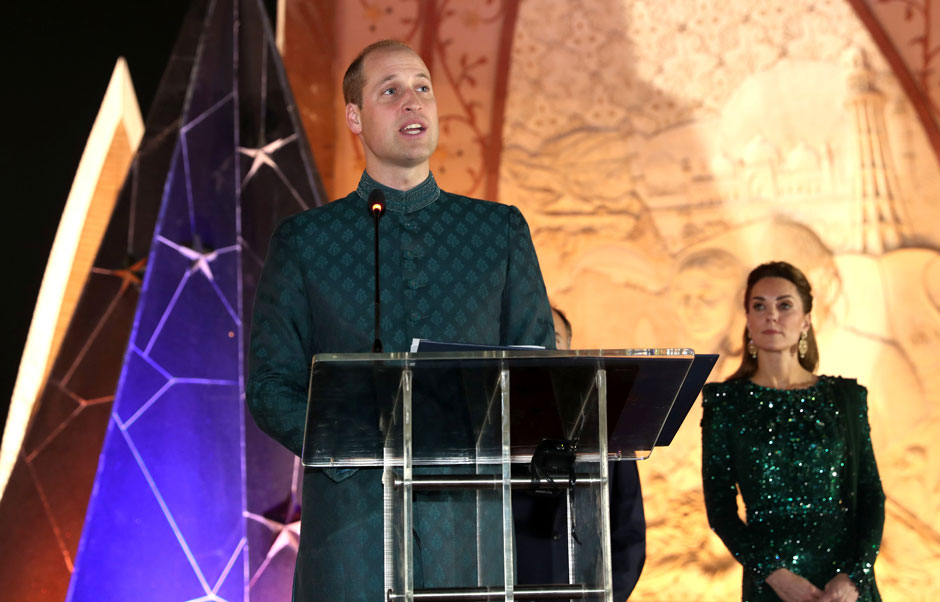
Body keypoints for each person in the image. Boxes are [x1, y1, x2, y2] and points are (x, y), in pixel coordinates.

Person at [246, 40, 555, 601]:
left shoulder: (498, 232)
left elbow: (536, 375)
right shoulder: (306, 242)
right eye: (390, 91)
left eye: (422, 88)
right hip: (349, 535)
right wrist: (353, 445)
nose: (413, 102)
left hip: (470, 537)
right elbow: (270, 388)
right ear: (355, 117)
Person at [700, 261, 884, 602]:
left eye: (784, 305)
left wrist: (855, 575)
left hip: (844, 582)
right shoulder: (725, 404)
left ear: (805, 321)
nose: (771, 315)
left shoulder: (844, 398)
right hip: (771, 582)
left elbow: (871, 492)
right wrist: (775, 575)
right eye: (759, 306)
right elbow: (721, 510)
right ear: (748, 321)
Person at [513, 307, 646, 600]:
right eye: (538, 338)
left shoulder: (607, 425)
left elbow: (629, 529)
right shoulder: (492, 423)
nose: (548, 347)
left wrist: (610, 595)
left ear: (570, 348)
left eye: (555, 337)